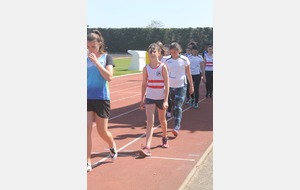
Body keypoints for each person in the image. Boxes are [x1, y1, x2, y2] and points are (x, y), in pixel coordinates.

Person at [87, 30, 118, 172]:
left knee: (102, 131)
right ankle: (87, 161)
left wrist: (96, 62)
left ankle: (111, 145)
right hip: (87, 97)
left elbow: (109, 77)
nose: (90, 50)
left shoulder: (107, 58)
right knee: (85, 131)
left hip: (102, 98)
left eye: (93, 47)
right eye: (88, 47)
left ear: (99, 44)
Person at [139, 43, 169, 156]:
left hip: (161, 97)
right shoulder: (146, 68)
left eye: (154, 51)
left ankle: (165, 137)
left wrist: (166, 100)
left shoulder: (163, 67)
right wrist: (142, 99)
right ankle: (147, 147)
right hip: (150, 97)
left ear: (159, 53)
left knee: (162, 120)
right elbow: (143, 84)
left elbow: (167, 83)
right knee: (150, 122)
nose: (152, 53)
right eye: (150, 51)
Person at [165, 42, 194, 137]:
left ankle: (176, 127)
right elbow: (164, 74)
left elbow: (188, 73)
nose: (172, 54)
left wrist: (191, 85)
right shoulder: (167, 61)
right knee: (173, 106)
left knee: (178, 106)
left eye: (174, 52)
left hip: (181, 86)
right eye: (171, 52)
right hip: (171, 86)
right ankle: (176, 121)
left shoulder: (184, 60)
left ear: (179, 51)